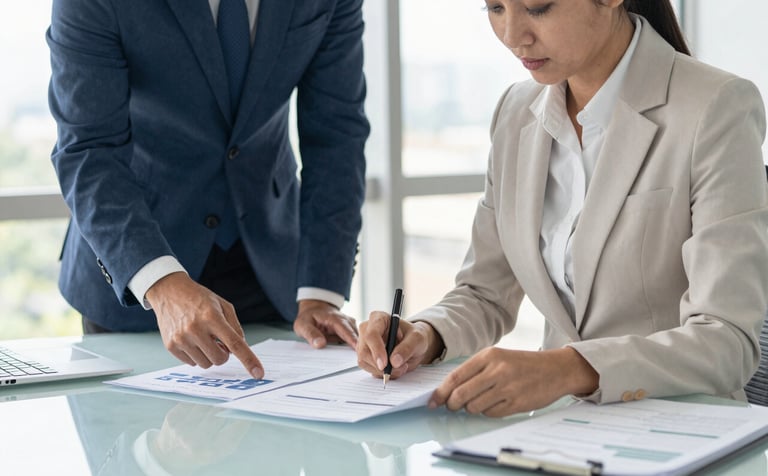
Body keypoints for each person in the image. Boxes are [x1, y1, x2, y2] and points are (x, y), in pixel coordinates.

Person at [358, 0, 768, 417]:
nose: (513, 35)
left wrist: (568, 368)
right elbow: (485, 293)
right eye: (495, 8)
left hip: (683, 432)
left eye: (537, 8)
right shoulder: (515, 112)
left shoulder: (715, 107)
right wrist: (425, 335)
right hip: (558, 431)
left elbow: (727, 341)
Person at [47, 0, 369, 378]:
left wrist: (321, 294)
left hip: (271, 270)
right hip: (139, 271)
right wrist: (161, 283)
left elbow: (337, 137)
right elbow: (88, 151)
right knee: (141, 433)